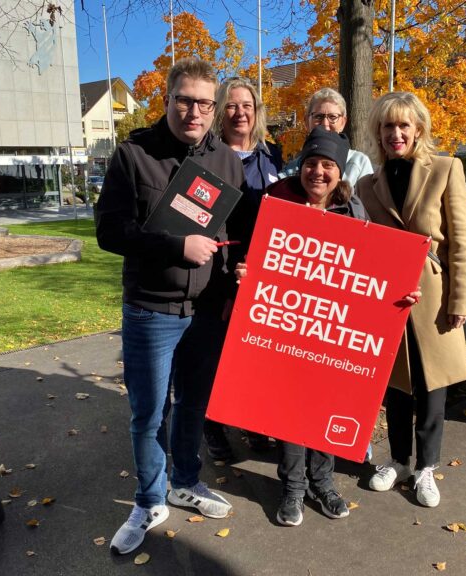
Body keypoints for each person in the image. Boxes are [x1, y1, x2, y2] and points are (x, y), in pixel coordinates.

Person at [94, 58, 245, 555]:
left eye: (205, 103)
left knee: (193, 406)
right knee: (148, 413)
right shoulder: (133, 154)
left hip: (205, 311)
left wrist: (236, 270)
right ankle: (148, 499)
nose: (195, 111)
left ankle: (185, 482)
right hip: (150, 310)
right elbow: (109, 233)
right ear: (167, 100)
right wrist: (175, 247)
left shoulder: (226, 160)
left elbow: (229, 233)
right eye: (185, 99)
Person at [238, 127, 363, 527]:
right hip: (288, 326)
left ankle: (322, 482)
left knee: (325, 406)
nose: (319, 172)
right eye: (311, 163)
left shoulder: (354, 210)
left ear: (340, 173)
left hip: (333, 330)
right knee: (290, 410)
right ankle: (292, 486)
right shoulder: (276, 202)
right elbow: (254, 253)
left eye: (328, 166)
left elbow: (371, 272)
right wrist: (248, 270)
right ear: (300, 167)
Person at [356, 92, 466, 508]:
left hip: (433, 297)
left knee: (432, 387)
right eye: (388, 126)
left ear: (418, 129)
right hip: (387, 299)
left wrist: (461, 299)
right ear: (379, 132)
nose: (396, 133)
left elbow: (460, 241)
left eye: (404, 125)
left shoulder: (445, 168)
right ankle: (399, 460)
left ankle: (427, 467)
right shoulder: (366, 185)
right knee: (396, 386)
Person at [200, 77, 283, 460]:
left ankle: (254, 425)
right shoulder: (205, 156)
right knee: (215, 354)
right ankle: (212, 426)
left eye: (247, 105)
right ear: (220, 111)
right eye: (231, 105)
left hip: (262, 272)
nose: (240, 112)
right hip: (217, 271)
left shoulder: (272, 157)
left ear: (257, 111)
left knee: (255, 357)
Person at [279, 87, 373, 185]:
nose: (325, 124)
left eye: (333, 117)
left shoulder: (359, 164)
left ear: (343, 122)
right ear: (307, 122)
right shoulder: (291, 169)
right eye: (318, 116)